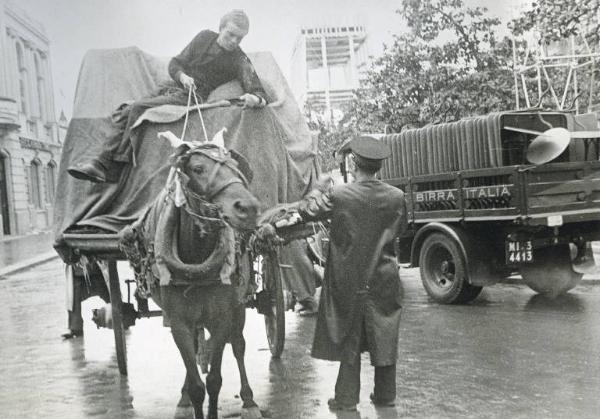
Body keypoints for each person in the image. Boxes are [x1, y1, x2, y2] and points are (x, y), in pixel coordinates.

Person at [68, 9, 268, 183]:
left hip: (191, 97)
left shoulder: (239, 58)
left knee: (137, 109)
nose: (234, 41)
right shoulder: (203, 37)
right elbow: (175, 63)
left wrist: (255, 99)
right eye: (230, 34)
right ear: (221, 27)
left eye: (239, 38)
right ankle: (100, 164)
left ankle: (108, 166)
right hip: (171, 87)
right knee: (127, 109)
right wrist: (182, 76)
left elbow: (259, 90)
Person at [295, 136, 407, 411]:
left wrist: (317, 189)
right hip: (385, 276)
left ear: (353, 163)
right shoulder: (396, 196)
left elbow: (307, 212)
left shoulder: (340, 195)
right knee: (385, 330)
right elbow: (400, 229)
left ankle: (345, 399)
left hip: (348, 275)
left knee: (350, 333)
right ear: (378, 167)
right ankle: (385, 394)